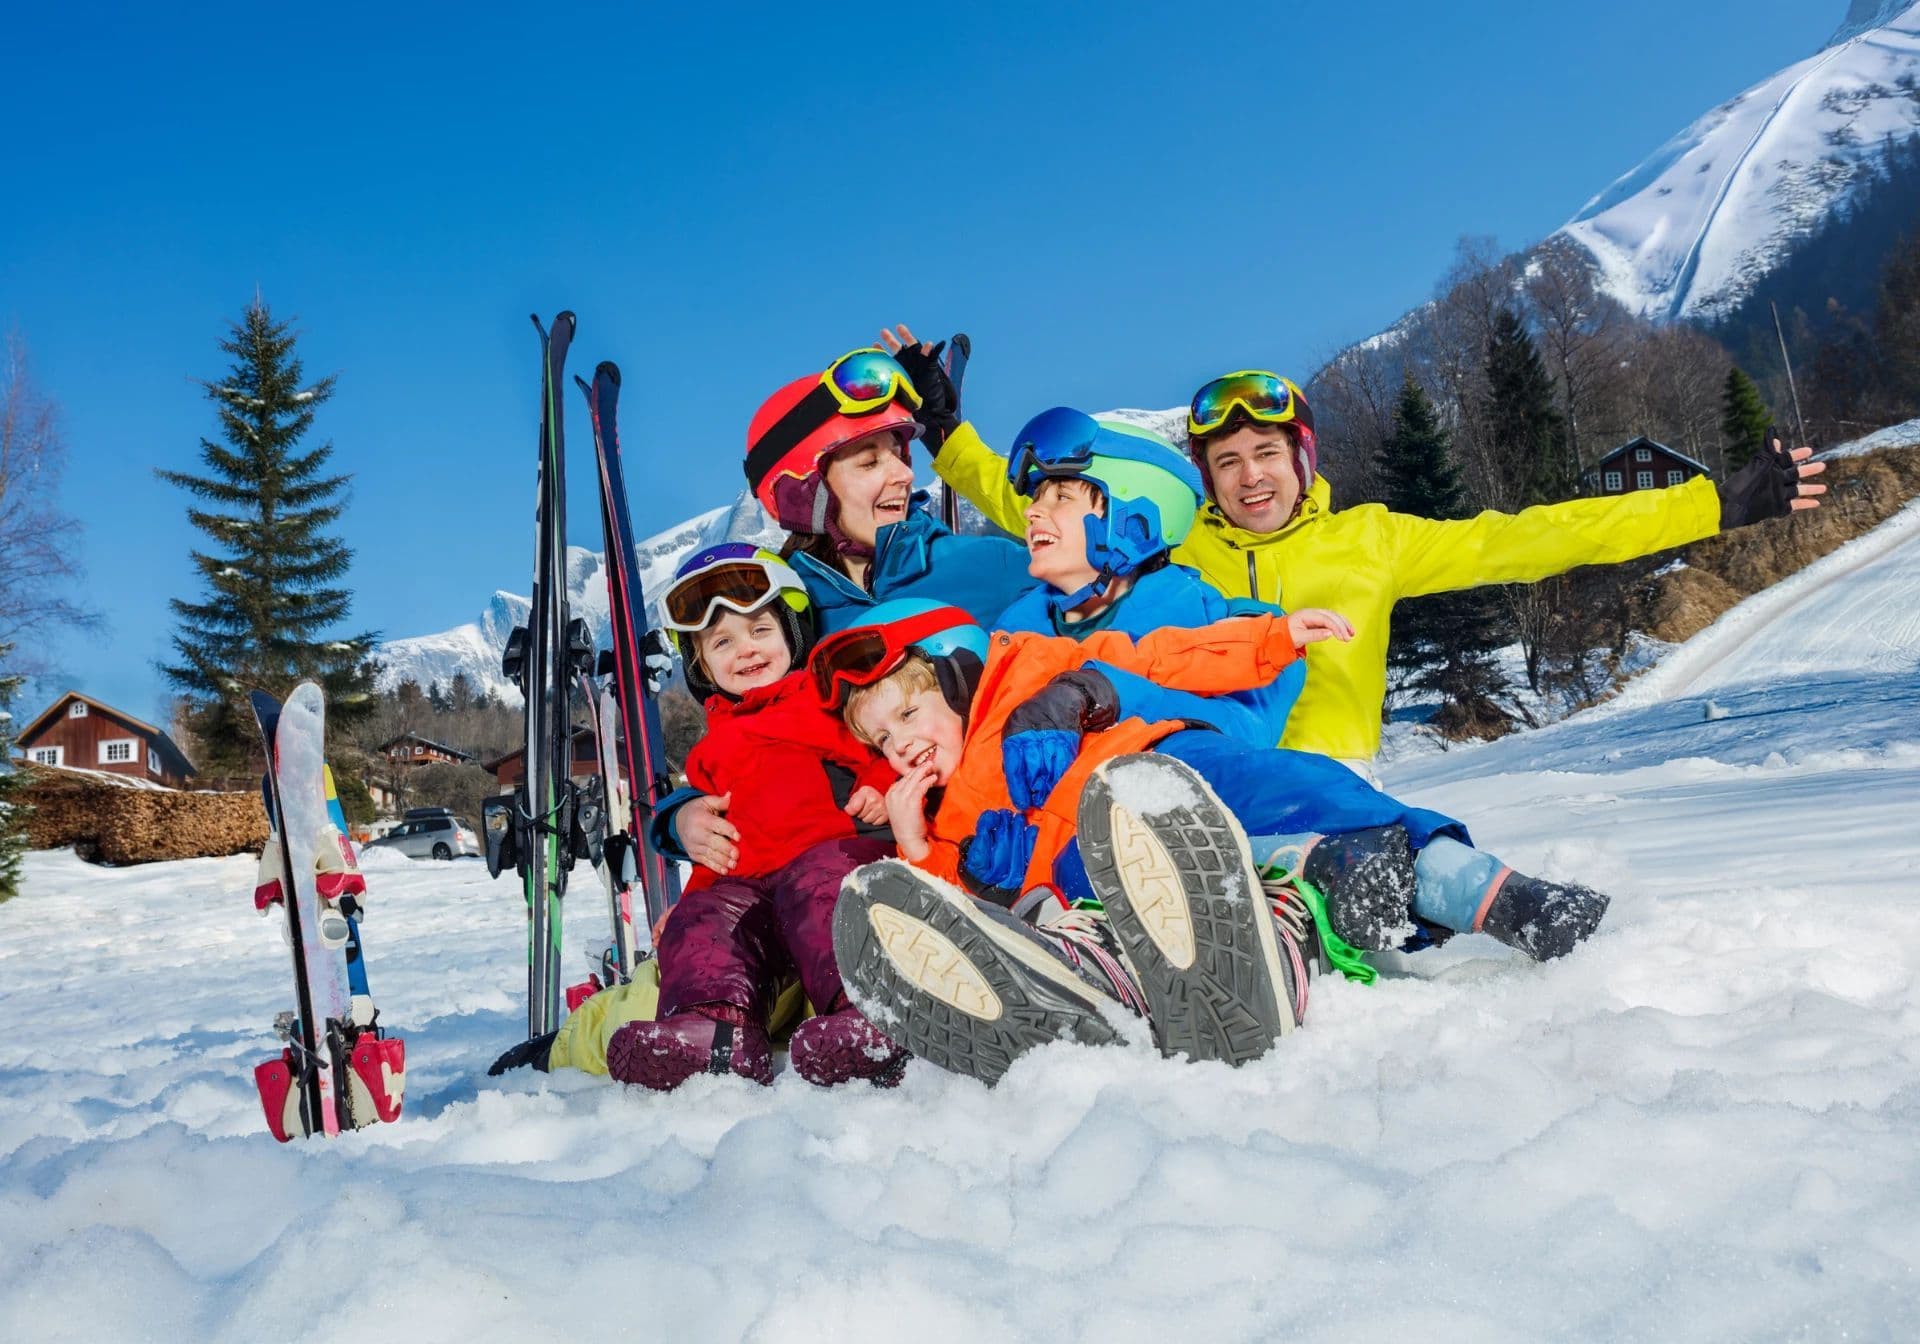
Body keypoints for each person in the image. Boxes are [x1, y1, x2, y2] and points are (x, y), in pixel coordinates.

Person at [888, 331, 1827, 773]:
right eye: (1227, 461)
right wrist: (947, 436)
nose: (1250, 477)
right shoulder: (1174, 553)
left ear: (1301, 463)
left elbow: (1540, 537)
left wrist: (1713, 504)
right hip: (1192, 773)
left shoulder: (1370, 542)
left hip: (1331, 776)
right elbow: (1041, 519)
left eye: (1267, 455)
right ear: (1206, 477)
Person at [815, 602, 1611, 1086]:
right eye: (881, 742)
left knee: (1320, 793)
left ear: (950, 681)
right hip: (1096, 863)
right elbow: (955, 917)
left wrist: (1270, 639)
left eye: (909, 716)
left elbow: (1159, 655)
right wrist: (919, 840)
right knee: (1162, 885)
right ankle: (1285, 916)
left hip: (1168, 766)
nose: (901, 747)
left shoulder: (1034, 668)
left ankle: (1496, 893)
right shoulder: (949, 820)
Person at [667, 347, 1040, 875]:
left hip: (1004, 847)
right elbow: (746, 744)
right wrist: (678, 818)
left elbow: (1083, 548)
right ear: (809, 495)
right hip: (867, 866)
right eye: (869, 462)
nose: (903, 476)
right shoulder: (784, 618)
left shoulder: (987, 565)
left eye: (899, 455)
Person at [602, 544, 906, 1090]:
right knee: (705, 924)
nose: (745, 649)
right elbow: (719, 841)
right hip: (754, 884)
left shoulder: (827, 700)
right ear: (700, 666)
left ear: (792, 631)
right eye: (722, 642)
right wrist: (692, 901)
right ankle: (714, 1036)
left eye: (760, 630)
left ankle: (870, 1014)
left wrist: (881, 786)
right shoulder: (711, 752)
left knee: (818, 890)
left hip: (834, 858)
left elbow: (886, 746)